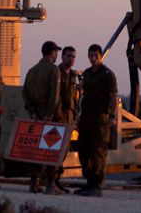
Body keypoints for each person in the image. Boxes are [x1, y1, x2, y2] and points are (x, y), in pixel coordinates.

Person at [76, 43, 117, 197]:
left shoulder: (107, 74)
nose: (93, 58)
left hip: (100, 118)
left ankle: (97, 184)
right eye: (90, 55)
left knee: (98, 151)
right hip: (86, 117)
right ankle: (89, 182)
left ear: (100, 56)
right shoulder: (87, 73)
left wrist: (112, 116)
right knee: (84, 150)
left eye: (95, 55)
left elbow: (113, 96)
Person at [23, 40, 62, 195]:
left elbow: (25, 92)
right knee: (52, 148)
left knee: (35, 150)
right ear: (51, 53)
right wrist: (50, 114)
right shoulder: (54, 70)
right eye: (56, 52)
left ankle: (34, 183)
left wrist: (32, 111)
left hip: (36, 115)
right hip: (50, 115)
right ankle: (50, 184)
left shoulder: (32, 70)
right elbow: (55, 95)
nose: (57, 55)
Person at [54, 45, 81, 192]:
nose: (71, 59)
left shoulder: (73, 75)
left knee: (64, 150)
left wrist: (76, 113)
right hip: (58, 117)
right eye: (69, 56)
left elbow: (75, 96)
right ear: (62, 57)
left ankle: (56, 179)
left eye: (74, 56)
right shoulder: (56, 73)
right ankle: (53, 179)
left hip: (69, 117)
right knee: (56, 149)